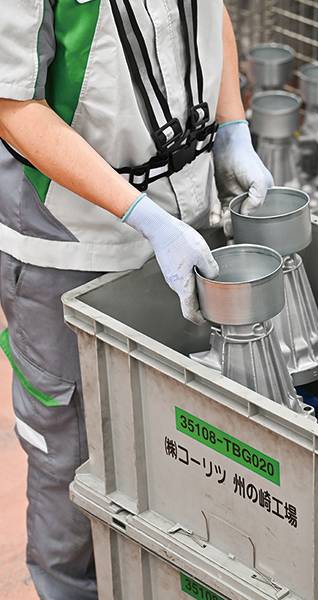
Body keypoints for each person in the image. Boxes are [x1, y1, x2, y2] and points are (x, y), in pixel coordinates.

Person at [0, 2, 273, 598]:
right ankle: (69, 588)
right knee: (72, 451)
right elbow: (12, 105)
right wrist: (140, 213)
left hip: (185, 217)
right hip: (69, 244)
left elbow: (211, 14)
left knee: (176, 432)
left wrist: (232, 126)